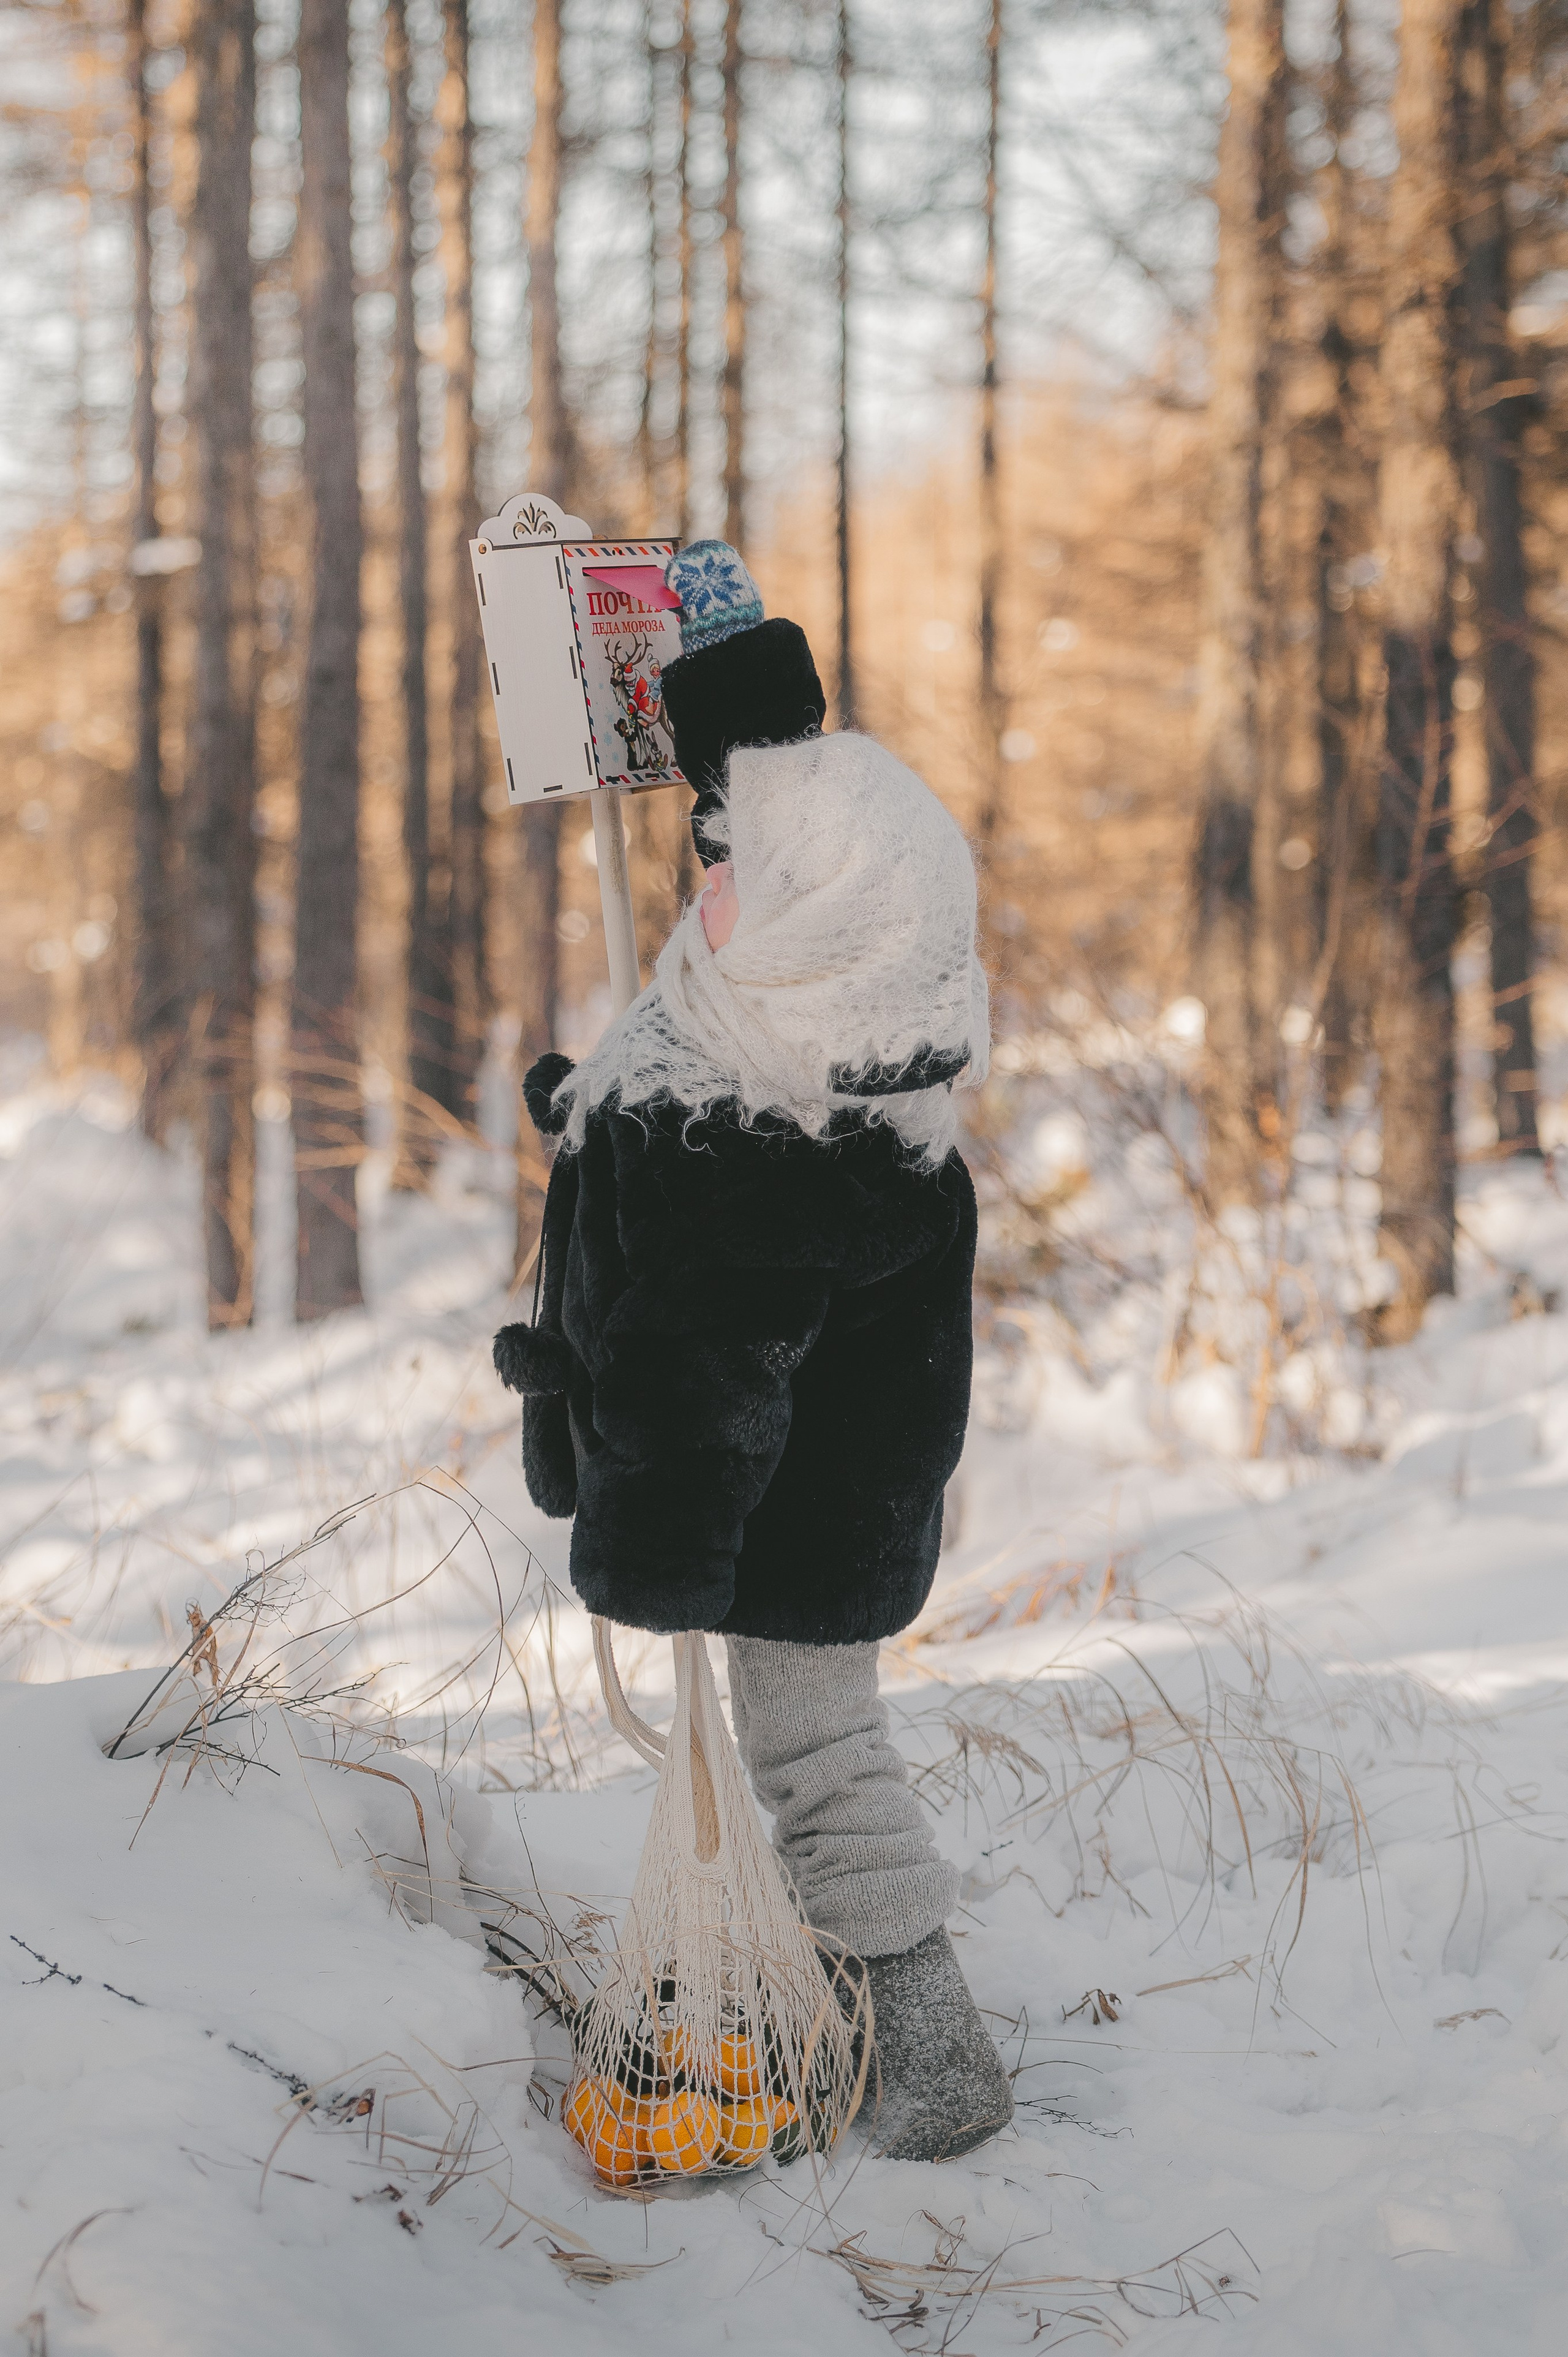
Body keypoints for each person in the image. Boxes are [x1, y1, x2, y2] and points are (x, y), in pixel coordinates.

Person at [495, 542, 1013, 2163]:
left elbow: (703, 1371)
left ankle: (925, 2048)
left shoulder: (755, 1155)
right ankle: (818, 1996)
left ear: (821, 927)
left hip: (771, 1525)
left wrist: (654, 1550)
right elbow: (673, 1096)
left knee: (812, 1756)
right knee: (802, 1753)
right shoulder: (845, 1082)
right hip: (833, 1508)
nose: (701, 890)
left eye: (733, 872)